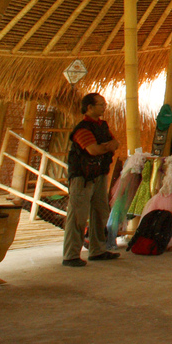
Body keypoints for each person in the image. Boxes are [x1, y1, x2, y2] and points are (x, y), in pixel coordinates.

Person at [63, 93, 121, 267]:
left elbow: (115, 143)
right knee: (78, 215)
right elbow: (93, 150)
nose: (104, 107)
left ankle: (97, 250)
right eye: (100, 104)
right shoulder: (82, 129)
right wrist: (106, 147)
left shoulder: (102, 126)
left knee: (100, 212)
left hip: (99, 174)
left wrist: (105, 146)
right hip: (83, 176)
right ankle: (71, 254)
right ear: (89, 107)